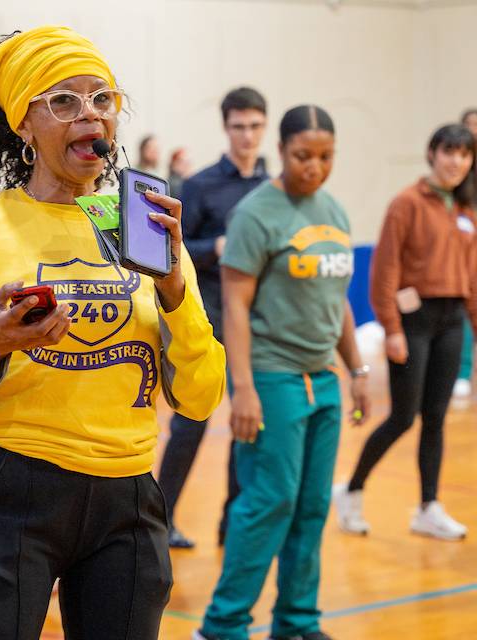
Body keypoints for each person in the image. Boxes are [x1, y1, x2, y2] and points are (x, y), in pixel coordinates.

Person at [0, 26, 227, 640]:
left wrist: (176, 292)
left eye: (102, 100)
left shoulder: (146, 228)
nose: (90, 117)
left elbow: (203, 396)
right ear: (23, 124)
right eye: (64, 102)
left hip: (128, 498)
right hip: (14, 490)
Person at [195, 105, 371, 640]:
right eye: (303, 156)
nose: (314, 167)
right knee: (269, 502)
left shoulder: (335, 213)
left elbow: (336, 299)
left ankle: (297, 621)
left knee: (313, 505)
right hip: (273, 377)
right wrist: (242, 388)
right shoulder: (256, 213)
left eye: (325, 157)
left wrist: (356, 367)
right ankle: (222, 626)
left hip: (324, 380)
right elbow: (236, 305)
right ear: (284, 148)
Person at [334, 124, 476, 541]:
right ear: (432, 154)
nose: (457, 162)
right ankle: (352, 490)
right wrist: (392, 329)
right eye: (449, 152)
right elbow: (384, 272)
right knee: (402, 416)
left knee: (436, 418)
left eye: (465, 155)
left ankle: (428, 508)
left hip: (452, 322)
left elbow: (470, 276)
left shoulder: (465, 209)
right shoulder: (406, 203)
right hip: (412, 322)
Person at [155, 86, 269, 549]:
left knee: (247, 423)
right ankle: (159, 522)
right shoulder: (200, 185)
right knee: (189, 425)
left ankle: (232, 522)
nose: (247, 135)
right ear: (226, 128)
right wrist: (215, 248)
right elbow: (175, 248)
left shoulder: (270, 188)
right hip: (206, 317)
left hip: (256, 322)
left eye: (255, 126)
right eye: (239, 126)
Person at [453, 108, 477, 398]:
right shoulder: (456, 172)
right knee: (464, 310)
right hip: (463, 251)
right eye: (469, 125)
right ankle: (462, 371)